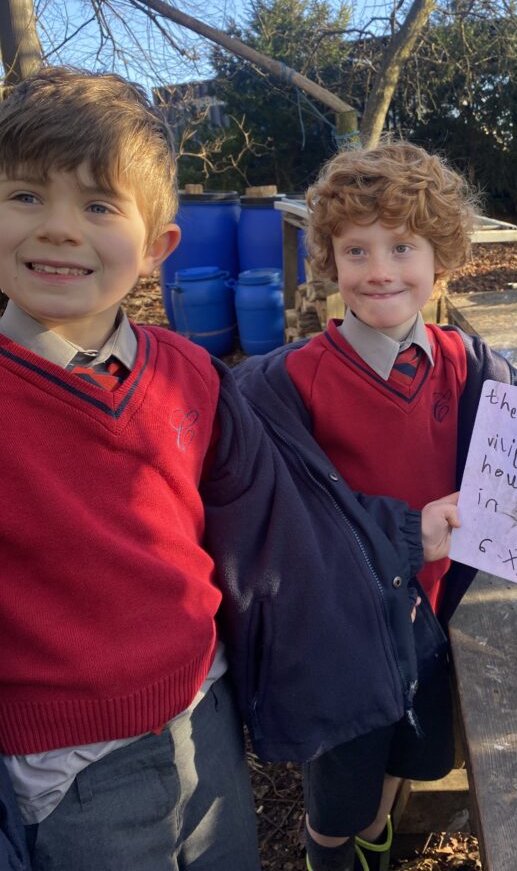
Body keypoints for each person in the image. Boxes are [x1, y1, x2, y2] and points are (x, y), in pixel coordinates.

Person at [0, 69, 455, 871]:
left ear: (157, 248)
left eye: (99, 205)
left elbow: (285, 508)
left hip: (204, 716)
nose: (61, 230)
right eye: (27, 196)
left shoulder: (190, 377)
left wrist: (404, 532)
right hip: (62, 759)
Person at [228, 141, 517, 871]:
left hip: (429, 619)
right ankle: (330, 854)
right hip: (337, 636)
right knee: (339, 789)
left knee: (406, 755)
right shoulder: (282, 386)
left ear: (440, 259)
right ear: (330, 261)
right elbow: (277, 523)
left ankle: (377, 838)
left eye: (402, 246)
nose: (379, 271)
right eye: (356, 250)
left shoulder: (469, 364)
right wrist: (404, 536)